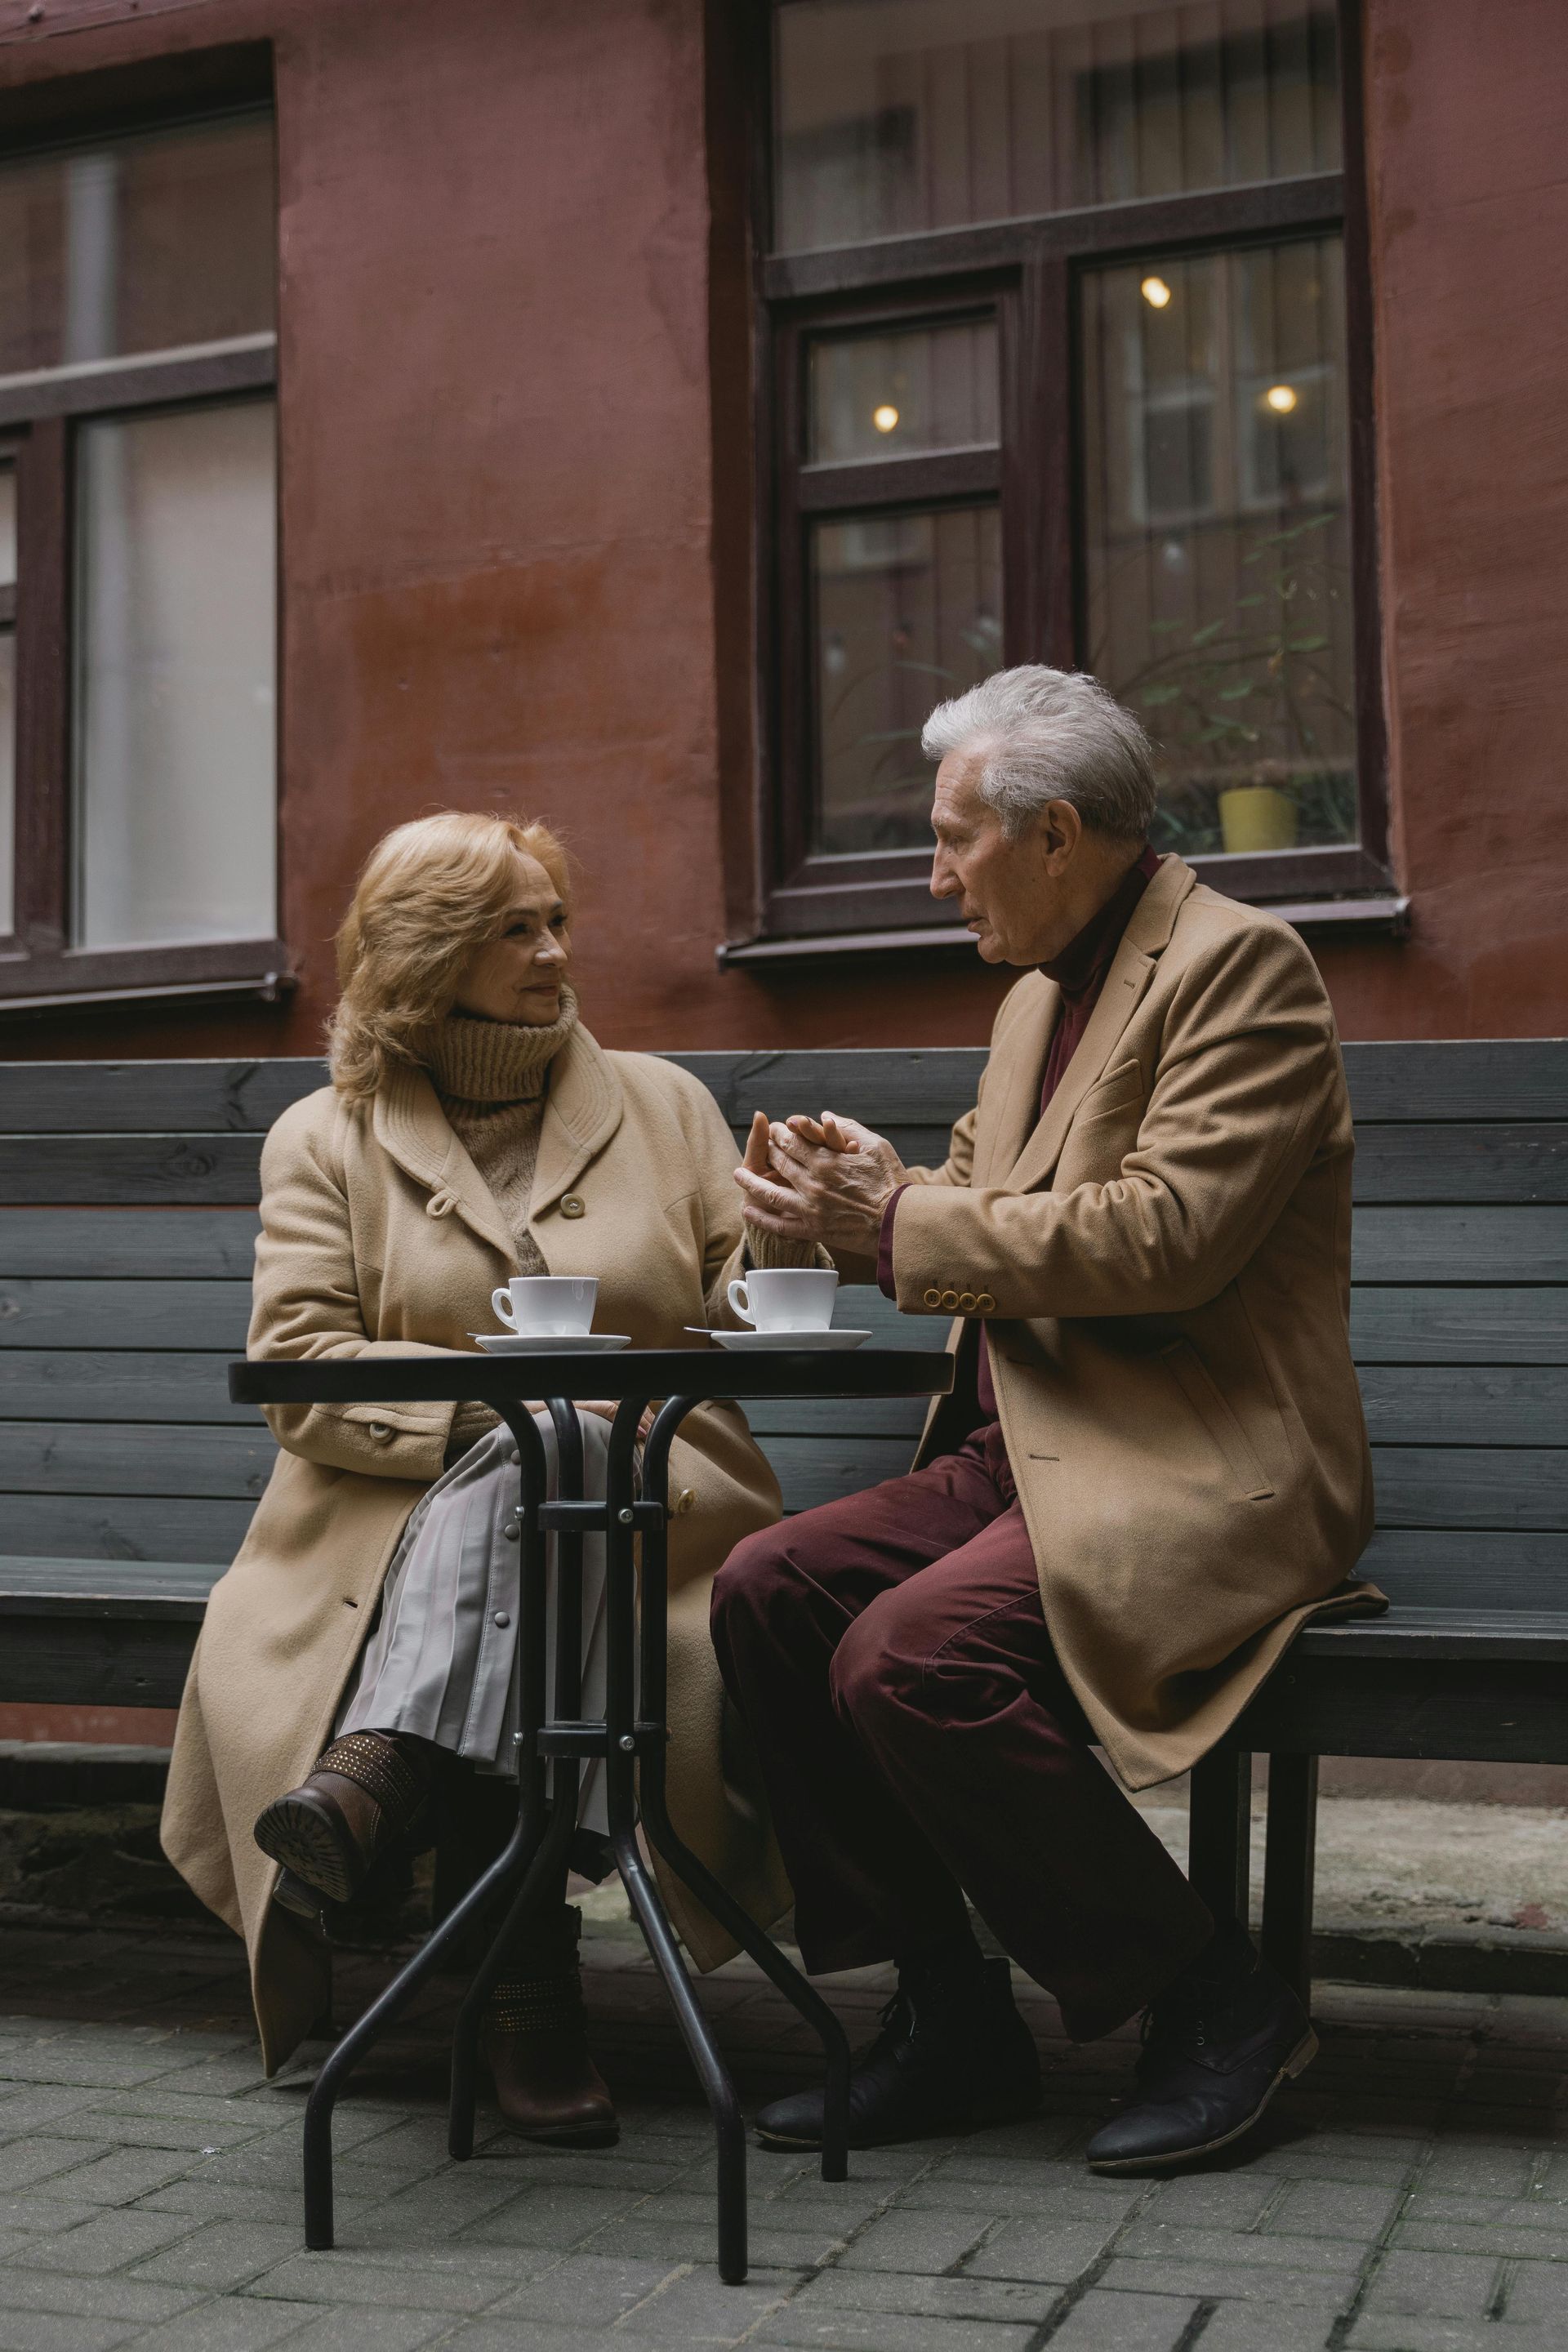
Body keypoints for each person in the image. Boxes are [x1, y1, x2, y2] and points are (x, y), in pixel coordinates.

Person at [716, 665, 1382, 2173]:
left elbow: (1165, 1240)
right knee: (770, 1590)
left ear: (1059, 833)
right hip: (1031, 1451)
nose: (938, 878)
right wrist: (859, 1194)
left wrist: (897, 1220)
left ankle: (1216, 2000)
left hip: (1206, 1466)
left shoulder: (1244, 969)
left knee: (913, 1655)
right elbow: (984, 1205)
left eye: (955, 841)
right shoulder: (1034, 1000)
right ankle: (952, 2019)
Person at [161, 811, 802, 2143]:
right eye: (514, 927)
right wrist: (491, 1414)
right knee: (540, 1453)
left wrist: (797, 1236)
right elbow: (298, 1362)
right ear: (426, 952)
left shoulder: (669, 1104)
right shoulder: (325, 1134)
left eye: (557, 919)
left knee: (568, 1456)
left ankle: (384, 1769)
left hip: (658, 1504)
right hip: (388, 1522)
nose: (554, 949)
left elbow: (745, 1304)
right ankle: (524, 1990)